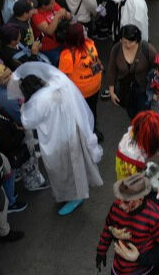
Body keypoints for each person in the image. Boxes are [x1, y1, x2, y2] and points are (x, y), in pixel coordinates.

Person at [15, 61, 104, 216]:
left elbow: (27, 122)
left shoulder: (37, 101)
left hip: (55, 139)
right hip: (70, 133)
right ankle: (74, 194)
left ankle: (74, 196)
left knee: (61, 170)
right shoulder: (55, 88)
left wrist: (23, 107)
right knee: (72, 166)